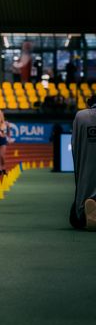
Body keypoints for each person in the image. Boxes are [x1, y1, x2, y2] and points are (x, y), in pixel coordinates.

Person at [69, 95, 96, 230]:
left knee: (75, 220)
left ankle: (83, 211)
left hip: (87, 168)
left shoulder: (81, 116)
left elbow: (74, 144)